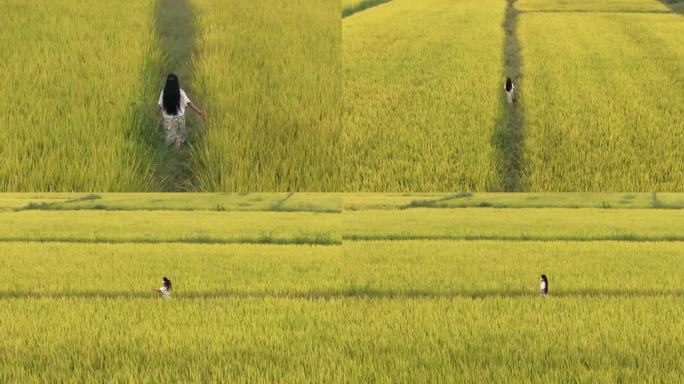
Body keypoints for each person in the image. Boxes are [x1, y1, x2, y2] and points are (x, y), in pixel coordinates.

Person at [156, 74, 205, 149]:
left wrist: (157, 112)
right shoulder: (181, 92)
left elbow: (159, 106)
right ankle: (179, 141)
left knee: (169, 139)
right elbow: (189, 103)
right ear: (177, 82)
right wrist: (198, 111)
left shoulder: (164, 92)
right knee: (180, 136)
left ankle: (172, 142)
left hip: (168, 121)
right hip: (180, 120)